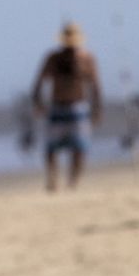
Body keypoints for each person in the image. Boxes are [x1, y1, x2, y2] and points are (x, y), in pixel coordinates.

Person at [31, 22, 103, 191]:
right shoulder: (53, 58)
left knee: (79, 147)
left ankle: (73, 181)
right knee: (51, 147)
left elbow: (95, 86)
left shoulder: (86, 58)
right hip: (57, 107)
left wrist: (97, 109)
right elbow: (39, 82)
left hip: (78, 107)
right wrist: (38, 103)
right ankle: (52, 178)